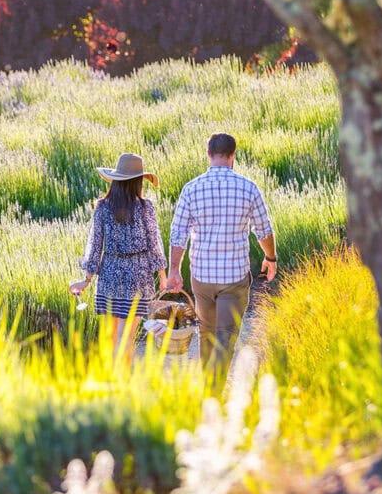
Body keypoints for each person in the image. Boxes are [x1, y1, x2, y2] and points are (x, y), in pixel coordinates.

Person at [165, 133, 277, 380]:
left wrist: (174, 270)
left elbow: (178, 233)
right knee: (226, 335)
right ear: (233, 156)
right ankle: (214, 388)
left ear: (208, 155)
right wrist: (271, 257)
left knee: (207, 332)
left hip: (202, 277)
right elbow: (264, 230)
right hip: (234, 278)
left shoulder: (191, 189)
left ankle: (209, 387)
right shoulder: (248, 188)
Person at [70, 152, 168, 363]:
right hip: (138, 276)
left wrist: (86, 280)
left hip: (109, 277)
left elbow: (95, 245)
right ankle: (123, 384)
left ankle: (115, 383)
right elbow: (154, 243)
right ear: (137, 182)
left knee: (111, 339)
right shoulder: (145, 207)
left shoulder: (103, 207)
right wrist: (163, 275)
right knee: (125, 339)